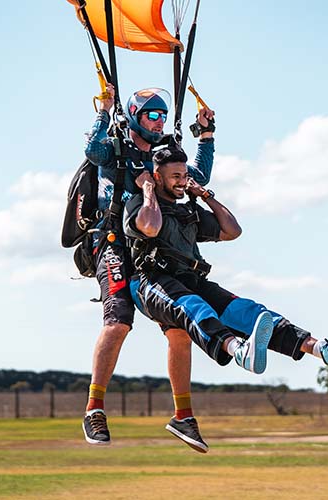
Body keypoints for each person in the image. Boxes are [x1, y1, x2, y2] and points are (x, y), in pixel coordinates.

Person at [124, 147, 328, 448]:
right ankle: (238, 350)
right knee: (194, 307)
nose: (182, 181)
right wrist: (146, 189)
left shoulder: (189, 211)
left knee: (247, 311)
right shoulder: (139, 205)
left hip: (192, 279)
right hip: (153, 282)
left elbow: (231, 231)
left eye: (184, 175)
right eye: (175, 177)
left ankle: (324, 350)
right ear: (157, 177)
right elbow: (149, 227)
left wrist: (205, 196)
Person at [82, 83, 216, 448]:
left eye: (162, 115)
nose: (158, 122)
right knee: (119, 321)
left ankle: (183, 417)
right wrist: (104, 110)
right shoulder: (114, 149)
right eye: (151, 115)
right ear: (135, 117)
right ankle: (94, 408)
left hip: (152, 248)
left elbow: (194, 179)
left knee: (178, 329)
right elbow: (92, 152)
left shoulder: (162, 155)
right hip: (112, 243)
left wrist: (205, 136)